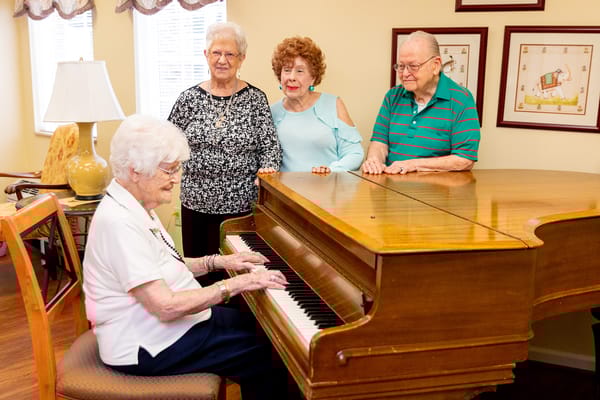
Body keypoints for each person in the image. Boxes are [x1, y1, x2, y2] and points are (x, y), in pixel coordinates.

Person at [83, 114, 290, 400]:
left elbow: (165, 265)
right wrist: (236, 285)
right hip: (145, 344)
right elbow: (165, 306)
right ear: (135, 171)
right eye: (169, 170)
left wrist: (221, 262)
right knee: (268, 355)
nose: (177, 179)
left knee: (259, 327)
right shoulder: (119, 222)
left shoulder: (136, 204)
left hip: (163, 328)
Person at [167, 22, 281, 278]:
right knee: (200, 277)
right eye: (216, 53)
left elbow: (270, 147)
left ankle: (232, 320)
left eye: (230, 54)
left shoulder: (255, 99)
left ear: (241, 59)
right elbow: (167, 143)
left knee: (238, 277)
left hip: (240, 209)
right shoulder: (188, 99)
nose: (222, 60)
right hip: (195, 205)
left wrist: (267, 171)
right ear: (206, 55)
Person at [361, 30, 480, 175]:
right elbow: (379, 142)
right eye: (401, 66)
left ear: (435, 65)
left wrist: (413, 164)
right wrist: (374, 160)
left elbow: (464, 159)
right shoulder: (392, 96)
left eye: (413, 66)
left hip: (436, 193)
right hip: (391, 187)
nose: (405, 74)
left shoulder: (461, 99)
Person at [270, 36, 364, 173]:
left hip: (328, 189)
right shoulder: (271, 112)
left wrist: (331, 170)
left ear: (313, 78)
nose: (291, 77)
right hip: (285, 192)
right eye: (287, 70)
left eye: (300, 71)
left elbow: (355, 154)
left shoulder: (334, 104)